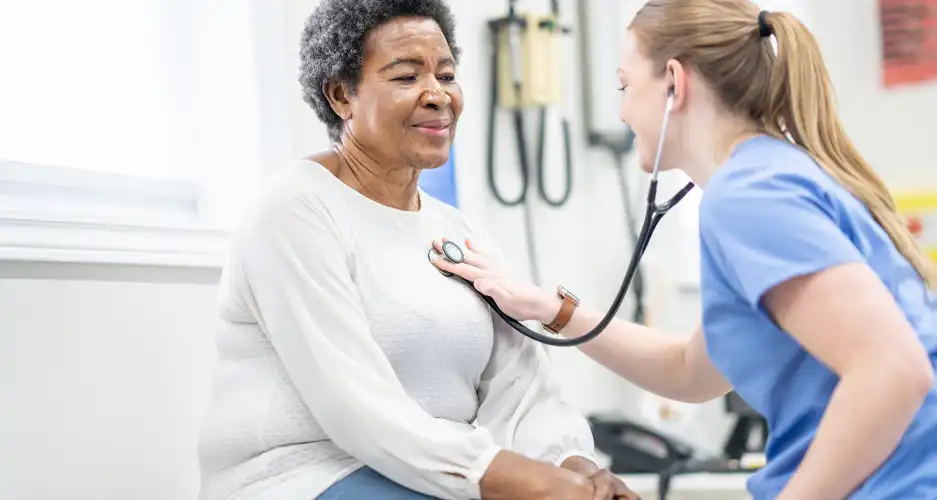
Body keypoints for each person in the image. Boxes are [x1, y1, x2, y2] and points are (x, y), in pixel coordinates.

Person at [432, 1, 937, 499]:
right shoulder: (770, 176)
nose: (625, 110)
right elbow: (693, 372)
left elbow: (894, 370)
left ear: (674, 83)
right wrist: (552, 310)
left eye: (626, 86)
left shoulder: (749, 197)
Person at [196, 1, 639, 499]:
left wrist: (572, 466)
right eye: (406, 77)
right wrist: (521, 481)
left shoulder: (453, 229)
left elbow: (521, 389)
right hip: (308, 474)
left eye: (446, 75)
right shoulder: (296, 212)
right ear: (342, 95)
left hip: (435, 475)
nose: (437, 95)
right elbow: (358, 408)